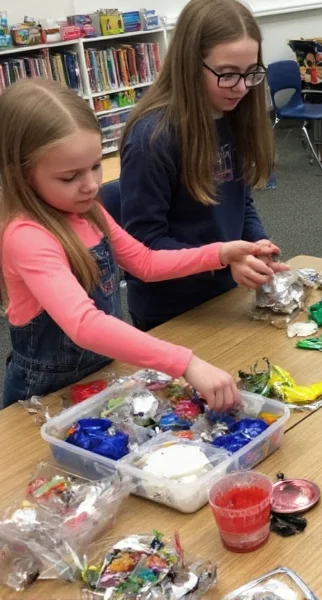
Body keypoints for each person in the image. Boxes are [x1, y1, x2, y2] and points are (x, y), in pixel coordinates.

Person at [0, 80, 263, 410]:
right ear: (20, 175)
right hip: (42, 395)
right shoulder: (26, 236)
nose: (92, 185)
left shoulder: (90, 210)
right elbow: (84, 324)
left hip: (100, 372)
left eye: (96, 166)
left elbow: (145, 262)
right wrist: (185, 363)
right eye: (70, 177)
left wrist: (220, 253)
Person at [119, 0, 283, 331]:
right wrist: (223, 257)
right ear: (190, 66)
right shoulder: (152, 139)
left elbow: (240, 201)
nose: (241, 87)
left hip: (224, 293)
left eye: (251, 72)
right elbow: (143, 245)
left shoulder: (234, 115)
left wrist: (256, 244)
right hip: (171, 311)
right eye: (226, 74)